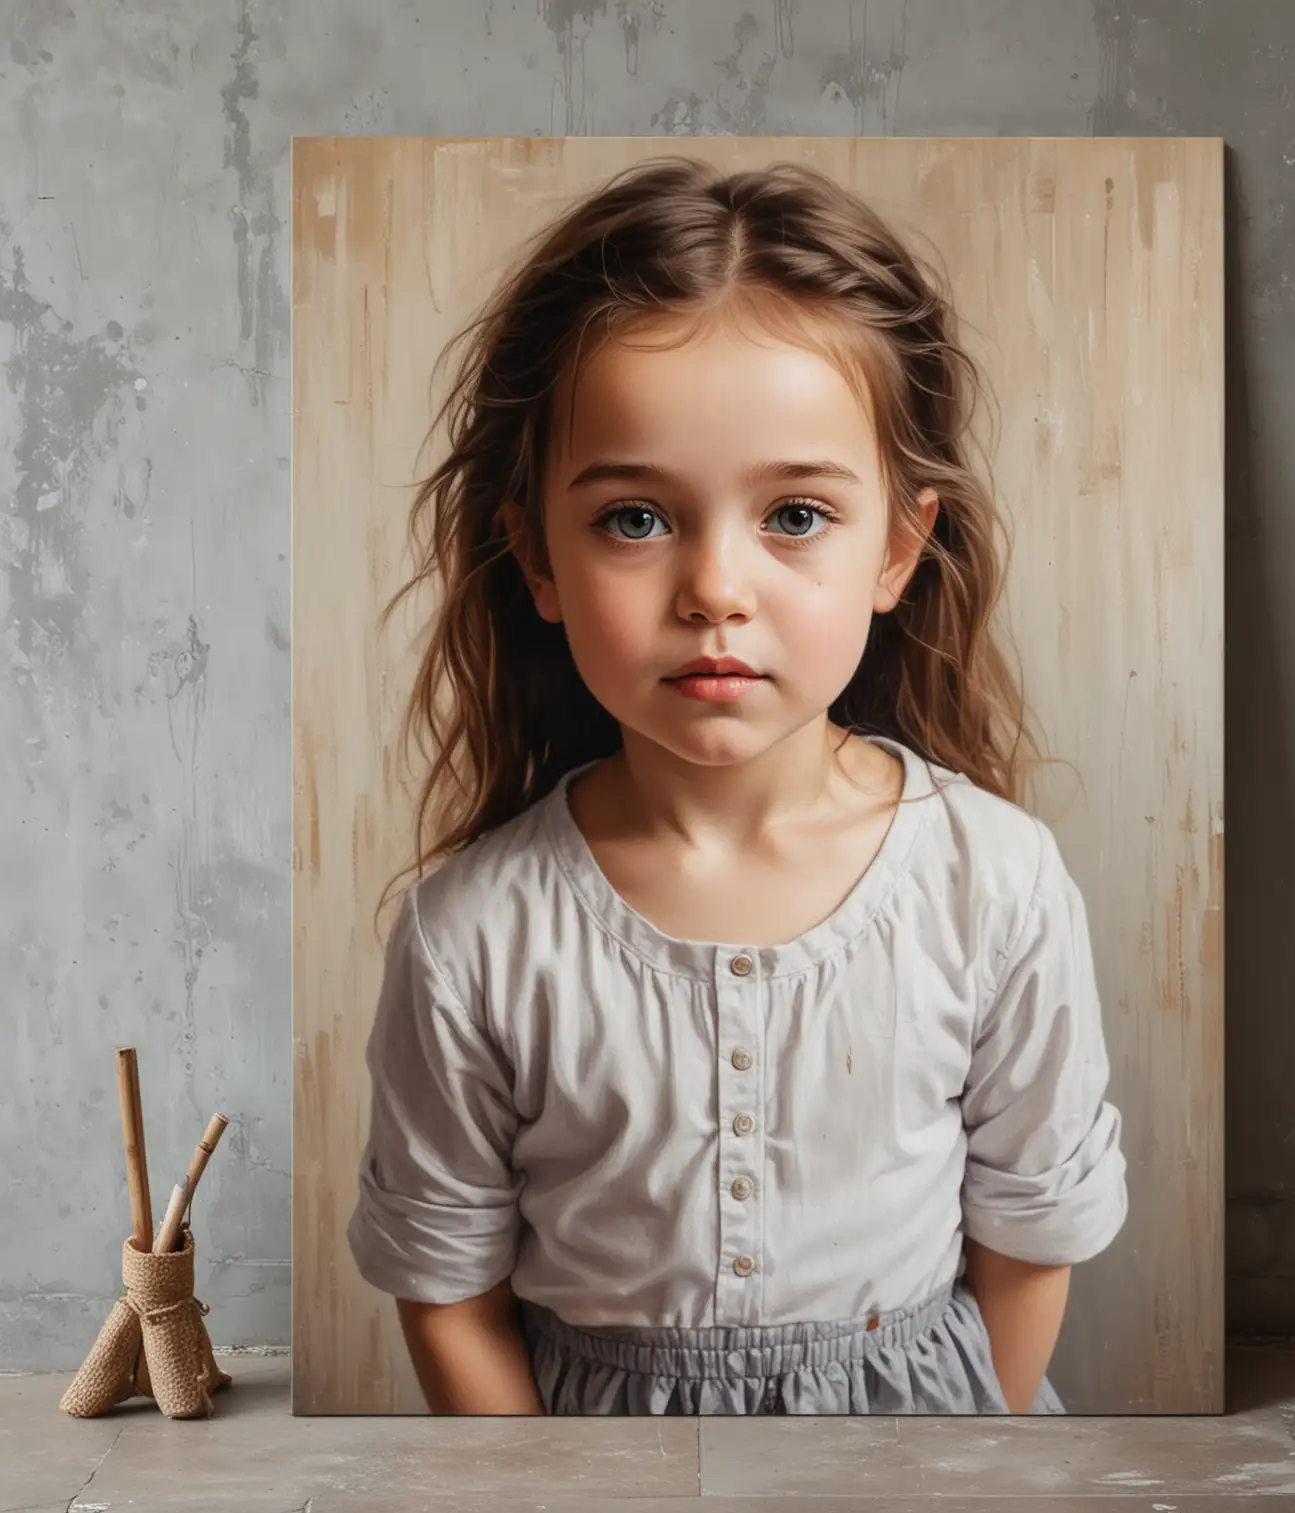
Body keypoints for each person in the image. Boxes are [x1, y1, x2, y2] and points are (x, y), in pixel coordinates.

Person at [345, 155, 1128, 1418]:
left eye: (798, 516)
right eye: (636, 521)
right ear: (536, 556)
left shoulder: (1000, 883)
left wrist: (956, 1494)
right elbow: (447, 1294)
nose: (717, 589)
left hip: (932, 1483)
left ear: (900, 548)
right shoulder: (472, 936)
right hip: (588, 1496)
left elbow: (1033, 1236)